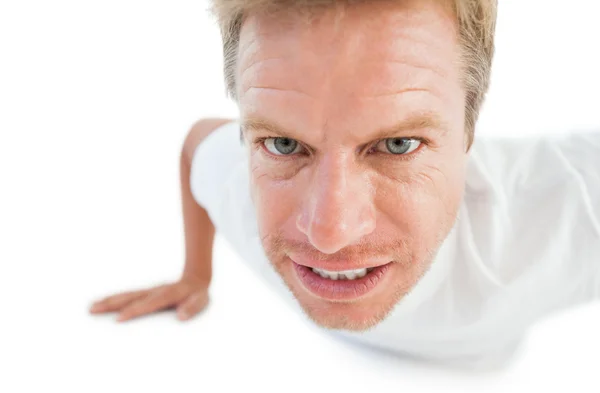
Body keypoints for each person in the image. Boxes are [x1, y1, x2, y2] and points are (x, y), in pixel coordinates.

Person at [89, 0, 600, 369]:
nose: (329, 235)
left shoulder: (572, 216)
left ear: (470, 133)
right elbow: (196, 143)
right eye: (286, 145)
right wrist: (195, 276)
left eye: (398, 144)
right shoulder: (233, 180)